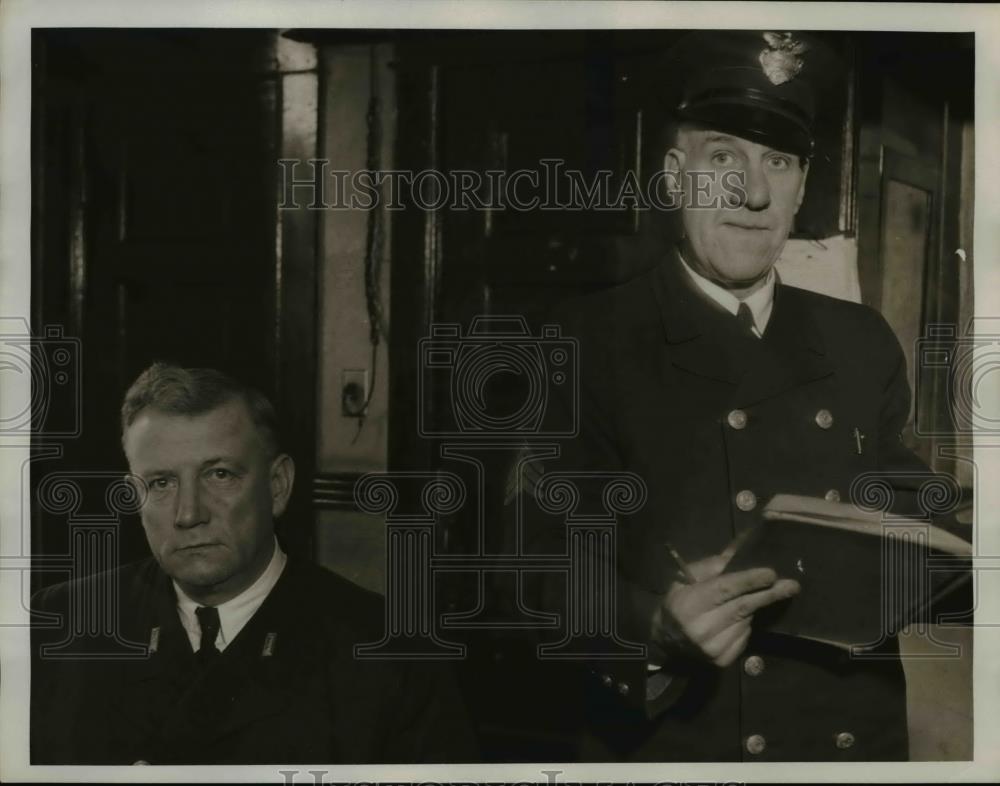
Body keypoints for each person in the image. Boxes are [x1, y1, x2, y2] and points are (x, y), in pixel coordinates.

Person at [518, 30, 964, 762]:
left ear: (801, 186)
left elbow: (892, 489)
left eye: (778, 162)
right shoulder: (579, 341)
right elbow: (530, 562)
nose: (753, 193)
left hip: (841, 742)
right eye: (723, 156)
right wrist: (653, 627)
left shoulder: (860, 339)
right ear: (672, 174)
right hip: (689, 741)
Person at [31, 362, 475, 765]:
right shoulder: (58, 625)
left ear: (278, 486)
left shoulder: (392, 651)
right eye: (162, 482)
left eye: (219, 474)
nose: (189, 514)